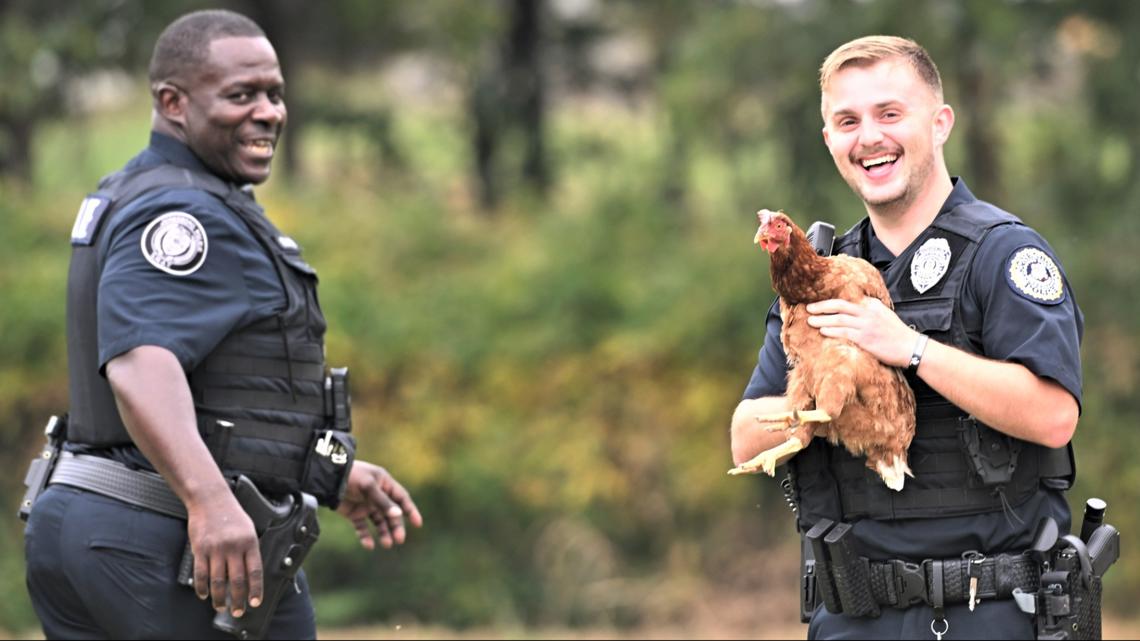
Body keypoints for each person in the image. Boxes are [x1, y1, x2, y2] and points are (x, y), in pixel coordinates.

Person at [23, 10, 422, 639]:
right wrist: (209, 500)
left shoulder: (150, 192)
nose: (268, 112)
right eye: (241, 95)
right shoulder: (180, 213)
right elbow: (141, 364)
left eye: (274, 93)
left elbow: (227, 394)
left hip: (105, 526)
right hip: (165, 541)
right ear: (173, 102)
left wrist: (328, 474)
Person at [730, 36, 1083, 639]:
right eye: (847, 120)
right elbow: (743, 439)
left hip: (988, 610)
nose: (869, 136)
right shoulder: (817, 273)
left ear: (940, 123)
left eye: (889, 113)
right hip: (853, 615)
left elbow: (1054, 417)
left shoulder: (1002, 255)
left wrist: (910, 348)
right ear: (829, 140)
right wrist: (820, 400)